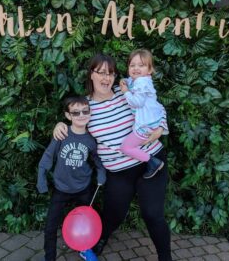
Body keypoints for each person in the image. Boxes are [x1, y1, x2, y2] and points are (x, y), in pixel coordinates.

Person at [53, 53, 173, 261]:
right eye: (100, 72)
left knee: (153, 214)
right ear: (91, 74)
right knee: (113, 214)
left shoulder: (127, 91)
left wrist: (161, 128)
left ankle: (166, 258)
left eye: (110, 73)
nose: (106, 78)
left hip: (151, 163)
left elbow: (157, 107)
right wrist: (60, 125)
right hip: (119, 172)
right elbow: (74, 125)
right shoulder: (86, 107)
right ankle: (97, 242)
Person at [37, 96, 106, 261]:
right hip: (61, 189)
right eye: (76, 112)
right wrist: (41, 179)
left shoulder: (91, 140)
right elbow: (48, 156)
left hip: (83, 188)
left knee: (86, 223)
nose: (81, 115)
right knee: (51, 227)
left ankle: (85, 248)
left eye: (85, 111)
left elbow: (97, 160)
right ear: (68, 116)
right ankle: (50, 257)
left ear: (90, 112)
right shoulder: (61, 133)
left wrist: (102, 174)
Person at [119, 49, 168, 179]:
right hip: (150, 122)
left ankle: (153, 162)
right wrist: (124, 81)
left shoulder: (142, 83)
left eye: (141, 65)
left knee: (126, 147)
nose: (136, 68)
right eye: (132, 65)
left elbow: (137, 102)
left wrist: (125, 91)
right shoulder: (142, 80)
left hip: (146, 126)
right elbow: (131, 81)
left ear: (150, 69)